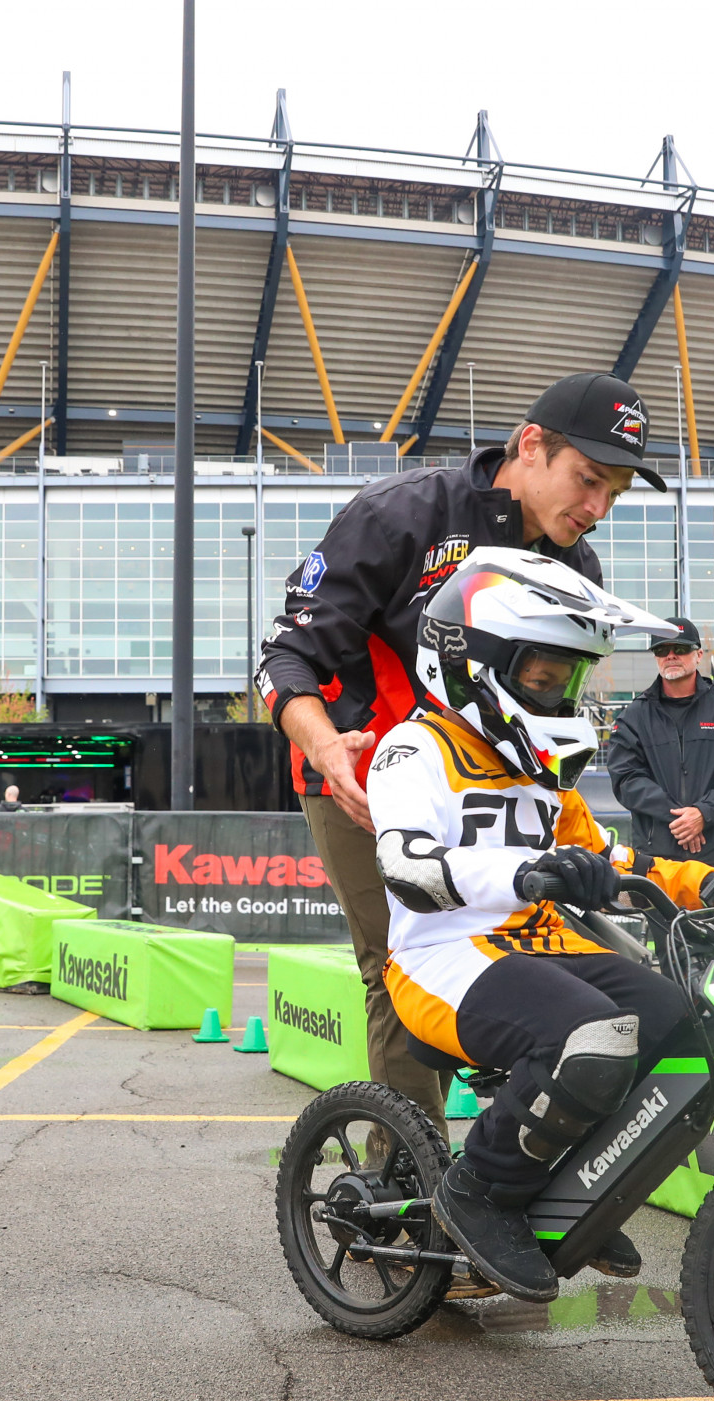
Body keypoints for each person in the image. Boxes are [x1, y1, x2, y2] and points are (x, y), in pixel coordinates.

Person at [255, 372, 668, 1137]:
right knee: (403, 960)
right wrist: (325, 752)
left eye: (615, 493)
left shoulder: (576, 567)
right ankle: (411, 1197)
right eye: (588, 481)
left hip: (492, 783)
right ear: (532, 445)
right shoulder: (403, 514)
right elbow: (284, 655)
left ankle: (513, 1168)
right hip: (363, 773)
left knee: (545, 954)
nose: (598, 509)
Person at [366, 548, 714, 1303]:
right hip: (444, 953)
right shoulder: (413, 748)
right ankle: (479, 1190)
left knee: (677, 1018)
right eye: (544, 676)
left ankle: (573, 1189)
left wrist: (709, 883)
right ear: (472, 665)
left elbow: (609, 857)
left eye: (569, 679)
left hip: (537, 948)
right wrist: (523, 875)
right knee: (592, 1033)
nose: (558, 694)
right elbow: (408, 865)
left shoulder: (542, 773)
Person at [604, 617, 714, 877]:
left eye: (680, 649)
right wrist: (681, 819)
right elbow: (626, 779)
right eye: (662, 650)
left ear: (698, 655)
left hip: (713, 850)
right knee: (658, 920)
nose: (671, 655)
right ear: (656, 658)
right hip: (655, 854)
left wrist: (702, 814)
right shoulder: (634, 716)